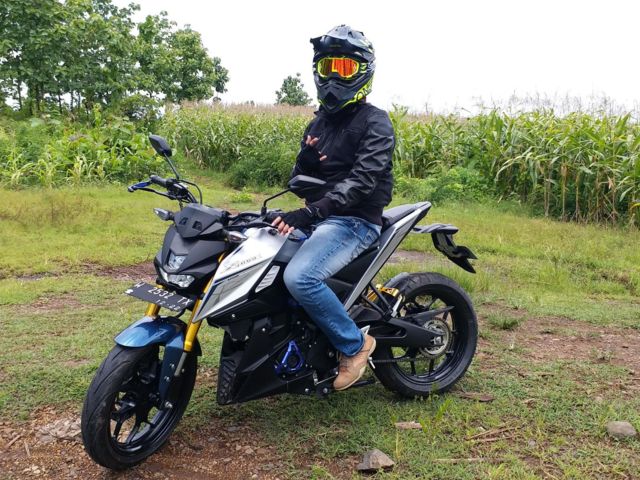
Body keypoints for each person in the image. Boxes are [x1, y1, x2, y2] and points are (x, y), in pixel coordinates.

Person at [271, 25, 395, 391]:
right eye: (328, 67)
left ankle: (355, 346)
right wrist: (305, 164)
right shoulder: (318, 123)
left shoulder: (375, 121)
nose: (333, 78)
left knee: (301, 278)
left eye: (344, 67)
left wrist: (312, 212)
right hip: (322, 219)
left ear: (362, 72)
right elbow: (298, 180)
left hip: (354, 221)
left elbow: (363, 180)